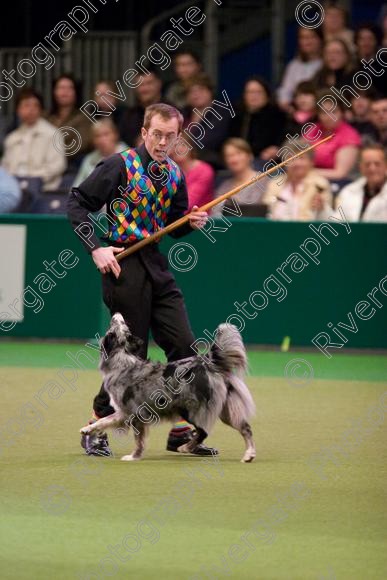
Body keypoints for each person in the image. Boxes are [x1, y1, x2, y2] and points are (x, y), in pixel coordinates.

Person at [67, 102, 217, 457]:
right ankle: (95, 426)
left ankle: (180, 430)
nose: (164, 142)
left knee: (184, 347)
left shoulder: (176, 175)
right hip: (122, 264)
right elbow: (76, 203)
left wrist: (190, 223)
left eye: (171, 136)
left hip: (156, 266)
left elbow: (175, 224)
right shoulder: (118, 165)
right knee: (129, 357)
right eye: (158, 134)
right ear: (145, 132)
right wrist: (96, 248)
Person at [2, 88, 66, 192]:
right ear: (18, 110)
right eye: (26, 105)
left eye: (35, 105)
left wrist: (30, 180)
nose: (31, 109)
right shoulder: (12, 138)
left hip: (43, 190)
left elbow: (57, 166)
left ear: (40, 110)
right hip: (13, 190)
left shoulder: (53, 134)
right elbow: (5, 168)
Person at [262, 139, 332, 221]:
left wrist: (321, 209)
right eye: (291, 158)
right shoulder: (274, 183)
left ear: (311, 162)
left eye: (302, 158)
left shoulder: (320, 184)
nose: (297, 163)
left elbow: (328, 219)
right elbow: (266, 212)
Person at [230, 76, 287, 161]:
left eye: (258, 92)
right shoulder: (237, 115)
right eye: (250, 92)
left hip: (267, 161)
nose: (254, 96)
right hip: (240, 159)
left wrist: (277, 149)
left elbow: (285, 141)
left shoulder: (279, 116)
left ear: (267, 95)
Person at [183, 74, 230, 168]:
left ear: (210, 91)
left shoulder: (221, 112)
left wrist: (185, 147)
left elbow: (210, 141)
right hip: (184, 164)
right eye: (191, 92)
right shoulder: (184, 113)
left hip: (212, 164)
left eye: (200, 90)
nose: (196, 94)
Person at [312, 93, 361, 180]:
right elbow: (298, 153)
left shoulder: (349, 135)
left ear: (342, 113)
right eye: (324, 112)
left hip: (338, 182)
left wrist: (308, 172)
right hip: (311, 177)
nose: (329, 116)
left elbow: (340, 173)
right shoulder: (314, 129)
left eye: (333, 111)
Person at [212, 138, 265, 216]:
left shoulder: (264, 181)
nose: (234, 159)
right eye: (229, 156)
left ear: (250, 156)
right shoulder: (224, 187)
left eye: (238, 153)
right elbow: (215, 214)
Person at [334, 144, 387, 221]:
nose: (372, 168)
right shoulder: (348, 192)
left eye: (377, 164)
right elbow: (336, 221)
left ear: (385, 165)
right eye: (367, 164)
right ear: (360, 167)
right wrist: (322, 209)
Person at [48, 74, 92, 162]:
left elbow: (79, 146)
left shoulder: (84, 118)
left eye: (69, 88)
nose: (65, 91)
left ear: (76, 92)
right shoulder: (46, 117)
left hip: (72, 165)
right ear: (54, 92)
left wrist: (52, 153)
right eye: (61, 88)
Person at [277, 26, 323, 111]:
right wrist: (287, 106)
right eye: (303, 38)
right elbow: (285, 91)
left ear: (320, 39)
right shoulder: (293, 65)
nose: (307, 42)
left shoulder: (326, 64)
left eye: (312, 37)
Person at [73, 119, 127, 186]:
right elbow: (77, 187)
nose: (101, 140)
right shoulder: (89, 159)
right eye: (97, 136)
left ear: (115, 135)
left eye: (106, 134)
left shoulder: (129, 157)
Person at [119, 70, 163, 146]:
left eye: (149, 83)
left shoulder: (173, 112)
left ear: (158, 84)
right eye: (141, 85)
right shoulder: (128, 116)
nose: (145, 89)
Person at [170, 144, 214, 210]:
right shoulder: (168, 170)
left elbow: (188, 203)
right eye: (173, 145)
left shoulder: (204, 170)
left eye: (182, 144)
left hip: (201, 218)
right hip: (172, 217)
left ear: (190, 147)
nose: (177, 149)